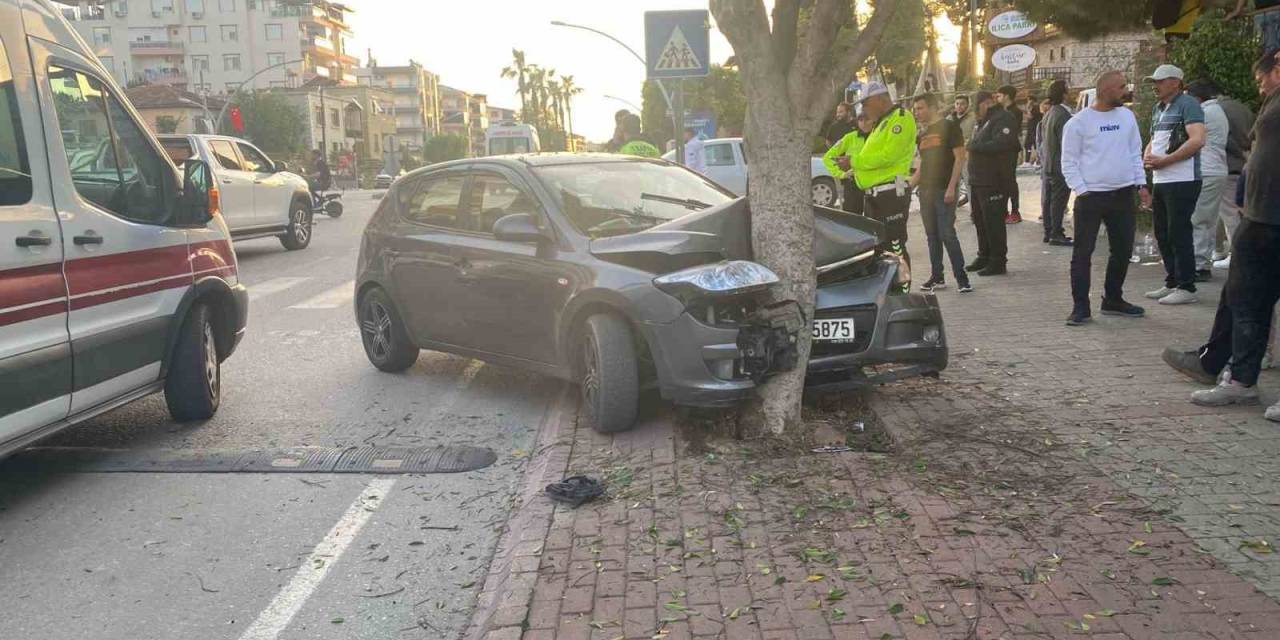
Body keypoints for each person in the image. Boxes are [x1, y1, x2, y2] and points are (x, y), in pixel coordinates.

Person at [1162, 49, 1280, 419]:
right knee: (1245, 301)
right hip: (1259, 217)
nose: (1259, 88)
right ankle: (1241, 380)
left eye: (1262, 79)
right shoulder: (1273, 103)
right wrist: (1246, 196)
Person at [1060, 70, 1151, 326]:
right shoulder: (1078, 123)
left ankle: (1113, 299)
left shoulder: (1126, 116)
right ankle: (1080, 307)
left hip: (1123, 194)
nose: (1126, 91)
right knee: (1082, 253)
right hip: (1091, 198)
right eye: (1122, 87)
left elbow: (1135, 152)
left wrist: (1141, 184)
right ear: (1107, 90)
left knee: (1122, 250)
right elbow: (1068, 161)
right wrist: (1082, 189)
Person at [1143, 64, 1207, 306]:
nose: (1155, 86)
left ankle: (1187, 286)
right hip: (1162, 178)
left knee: (1179, 232)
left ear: (1175, 82)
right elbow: (1154, 138)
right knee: (1162, 232)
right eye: (1154, 81)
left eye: (1159, 81)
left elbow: (1198, 139)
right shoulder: (1158, 108)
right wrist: (1147, 154)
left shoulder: (1188, 104)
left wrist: (1166, 160)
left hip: (1183, 178)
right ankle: (1172, 280)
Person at [851, 81, 917, 273]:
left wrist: (854, 162)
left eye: (865, 103)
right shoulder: (881, 123)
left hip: (890, 193)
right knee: (879, 249)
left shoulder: (901, 118)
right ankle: (888, 291)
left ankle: (902, 294)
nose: (863, 109)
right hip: (875, 195)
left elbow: (889, 155)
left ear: (879, 99)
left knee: (895, 247)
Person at [910, 93, 971, 293]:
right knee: (931, 236)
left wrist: (952, 187)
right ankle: (937, 277)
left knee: (947, 233)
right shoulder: (923, 134)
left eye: (920, 108)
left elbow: (959, 158)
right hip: (925, 192)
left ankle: (962, 279)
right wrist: (908, 187)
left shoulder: (949, 126)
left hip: (944, 190)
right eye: (915, 109)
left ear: (932, 107)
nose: (916, 112)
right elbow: (921, 166)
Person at [965, 90, 1021, 276]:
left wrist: (974, 146)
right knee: (980, 221)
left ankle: (998, 260)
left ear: (987, 103)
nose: (976, 111)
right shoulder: (984, 120)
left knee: (993, 222)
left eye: (977, 106)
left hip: (994, 180)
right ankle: (984, 255)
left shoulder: (1003, 118)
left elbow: (1002, 144)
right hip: (979, 180)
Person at [1185, 79, 1231, 283]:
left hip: (1208, 170)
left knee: (1199, 218)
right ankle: (1200, 261)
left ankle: (1198, 264)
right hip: (1215, 169)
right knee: (1207, 218)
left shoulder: (1205, 113)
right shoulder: (1217, 111)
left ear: (1196, 97)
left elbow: (1189, 137)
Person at [1212, 88, 1257, 269]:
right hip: (1244, 161)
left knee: (1229, 211)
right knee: (1222, 211)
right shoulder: (1241, 107)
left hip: (1229, 164)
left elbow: (1223, 139)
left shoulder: (1217, 111)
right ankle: (1219, 248)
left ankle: (1237, 252)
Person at [1040, 79, 1075, 246]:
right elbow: (1066, 142)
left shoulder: (1049, 113)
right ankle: (1056, 232)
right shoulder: (1062, 115)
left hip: (1048, 162)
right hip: (1059, 164)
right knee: (1058, 201)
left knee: (1048, 200)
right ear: (1063, 94)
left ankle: (1049, 231)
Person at [822, 108, 872, 214]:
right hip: (853, 185)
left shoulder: (878, 137)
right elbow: (828, 157)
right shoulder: (850, 138)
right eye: (861, 120)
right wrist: (841, 174)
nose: (864, 123)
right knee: (853, 220)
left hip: (874, 184)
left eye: (867, 120)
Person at [998, 85, 1024, 224]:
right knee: (1002, 182)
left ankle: (1015, 211)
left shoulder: (1015, 112)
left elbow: (1013, 132)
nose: (997, 98)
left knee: (1010, 181)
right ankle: (1003, 211)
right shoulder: (1001, 111)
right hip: (1000, 151)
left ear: (1006, 96)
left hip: (1010, 150)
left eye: (999, 96)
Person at [1023, 95, 1043, 166]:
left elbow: (1030, 116)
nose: (1027, 102)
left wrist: (1027, 110)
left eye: (1028, 100)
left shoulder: (1036, 107)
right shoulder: (1032, 107)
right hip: (1030, 129)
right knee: (1027, 145)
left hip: (1035, 129)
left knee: (1036, 145)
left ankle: (1038, 160)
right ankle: (1027, 161)